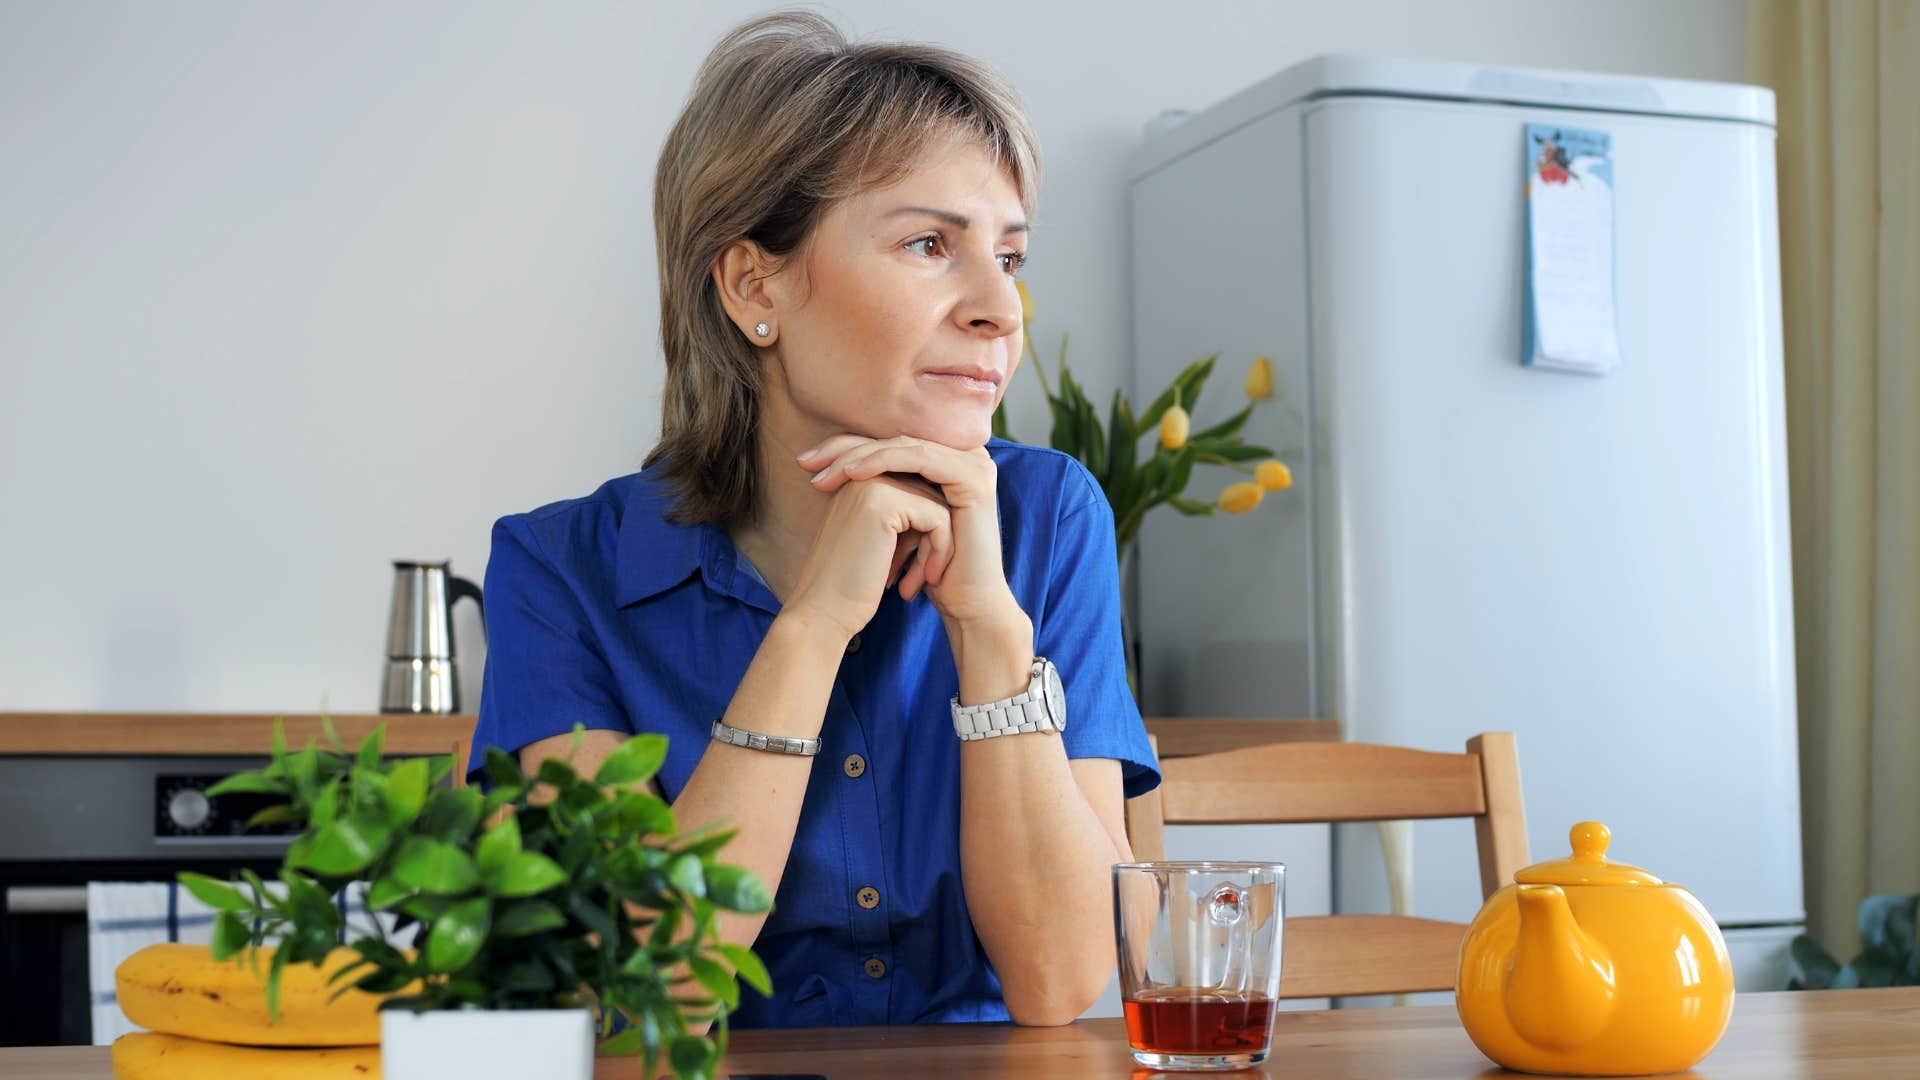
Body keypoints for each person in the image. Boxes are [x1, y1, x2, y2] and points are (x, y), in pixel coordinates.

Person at [469, 9, 1159, 1029]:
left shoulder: (1047, 516)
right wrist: (811, 632)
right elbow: (650, 988)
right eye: (930, 243)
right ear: (756, 285)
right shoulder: (559, 570)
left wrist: (990, 631)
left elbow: (1061, 983)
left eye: (1007, 258)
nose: (999, 310)